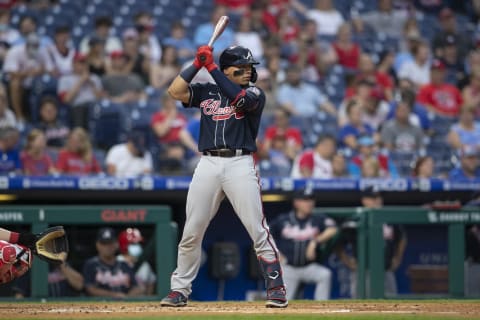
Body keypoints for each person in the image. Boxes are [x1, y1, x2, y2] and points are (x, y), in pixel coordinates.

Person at [160, 45, 288, 308]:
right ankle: (179, 290)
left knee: (257, 228)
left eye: (250, 68)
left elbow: (240, 100)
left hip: (240, 163)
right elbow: (175, 91)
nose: (248, 72)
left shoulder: (254, 93)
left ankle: (276, 288)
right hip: (207, 163)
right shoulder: (207, 90)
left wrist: (211, 68)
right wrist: (196, 64)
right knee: (192, 231)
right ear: (228, 69)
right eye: (240, 68)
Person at [269, 187, 338, 300]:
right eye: (305, 200)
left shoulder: (317, 218)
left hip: (308, 267)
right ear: (296, 202)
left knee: (325, 275)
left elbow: (333, 229)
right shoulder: (283, 220)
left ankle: (321, 309)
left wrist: (315, 241)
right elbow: (264, 236)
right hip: (288, 268)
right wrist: (277, 254)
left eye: (311, 200)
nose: (309, 203)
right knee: (281, 303)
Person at [337, 187, 407, 297]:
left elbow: (402, 238)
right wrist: (347, 261)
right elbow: (339, 242)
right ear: (364, 200)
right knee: (360, 307)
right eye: (373, 197)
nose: (377, 200)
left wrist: (397, 258)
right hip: (363, 271)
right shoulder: (355, 219)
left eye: (379, 197)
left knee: (392, 306)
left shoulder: (389, 217)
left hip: (386, 270)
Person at [82, 227, 143, 298]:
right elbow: (90, 289)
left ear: (116, 244)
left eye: (110, 243)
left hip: (123, 307)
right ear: (97, 245)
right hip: (99, 306)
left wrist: (126, 298)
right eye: (104, 243)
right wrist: (114, 295)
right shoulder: (91, 264)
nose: (107, 247)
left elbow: (138, 288)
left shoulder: (124, 264)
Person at [117, 228, 156, 296]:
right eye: (133, 244)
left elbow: (151, 284)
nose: (138, 246)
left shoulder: (144, 265)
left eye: (139, 243)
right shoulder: (116, 262)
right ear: (124, 245)